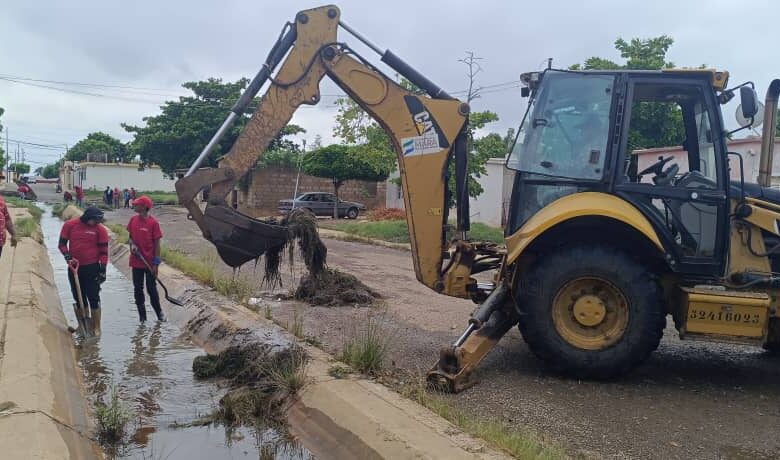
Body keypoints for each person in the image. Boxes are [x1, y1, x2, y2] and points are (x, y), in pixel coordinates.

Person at [59, 207, 108, 336]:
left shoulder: (100, 230)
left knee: (93, 297)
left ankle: (97, 327)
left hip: (92, 268)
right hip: (74, 267)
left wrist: (103, 269)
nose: (97, 223)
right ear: (87, 218)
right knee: (78, 296)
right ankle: (83, 325)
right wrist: (67, 257)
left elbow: (104, 252)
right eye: (95, 220)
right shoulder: (70, 225)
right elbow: (62, 244)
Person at [127, 195, 165, 323]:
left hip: (149, 262)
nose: (134, 205)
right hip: (136, 261)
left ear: (144, 207)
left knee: (151, 288)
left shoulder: (153, 223)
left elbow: (157, 245)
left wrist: (156, 264)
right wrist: (132, 245)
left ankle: (159, 314)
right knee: (138, 289)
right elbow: (130, 238)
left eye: (137, 204)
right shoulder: (133, 220)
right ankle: (142, 318)